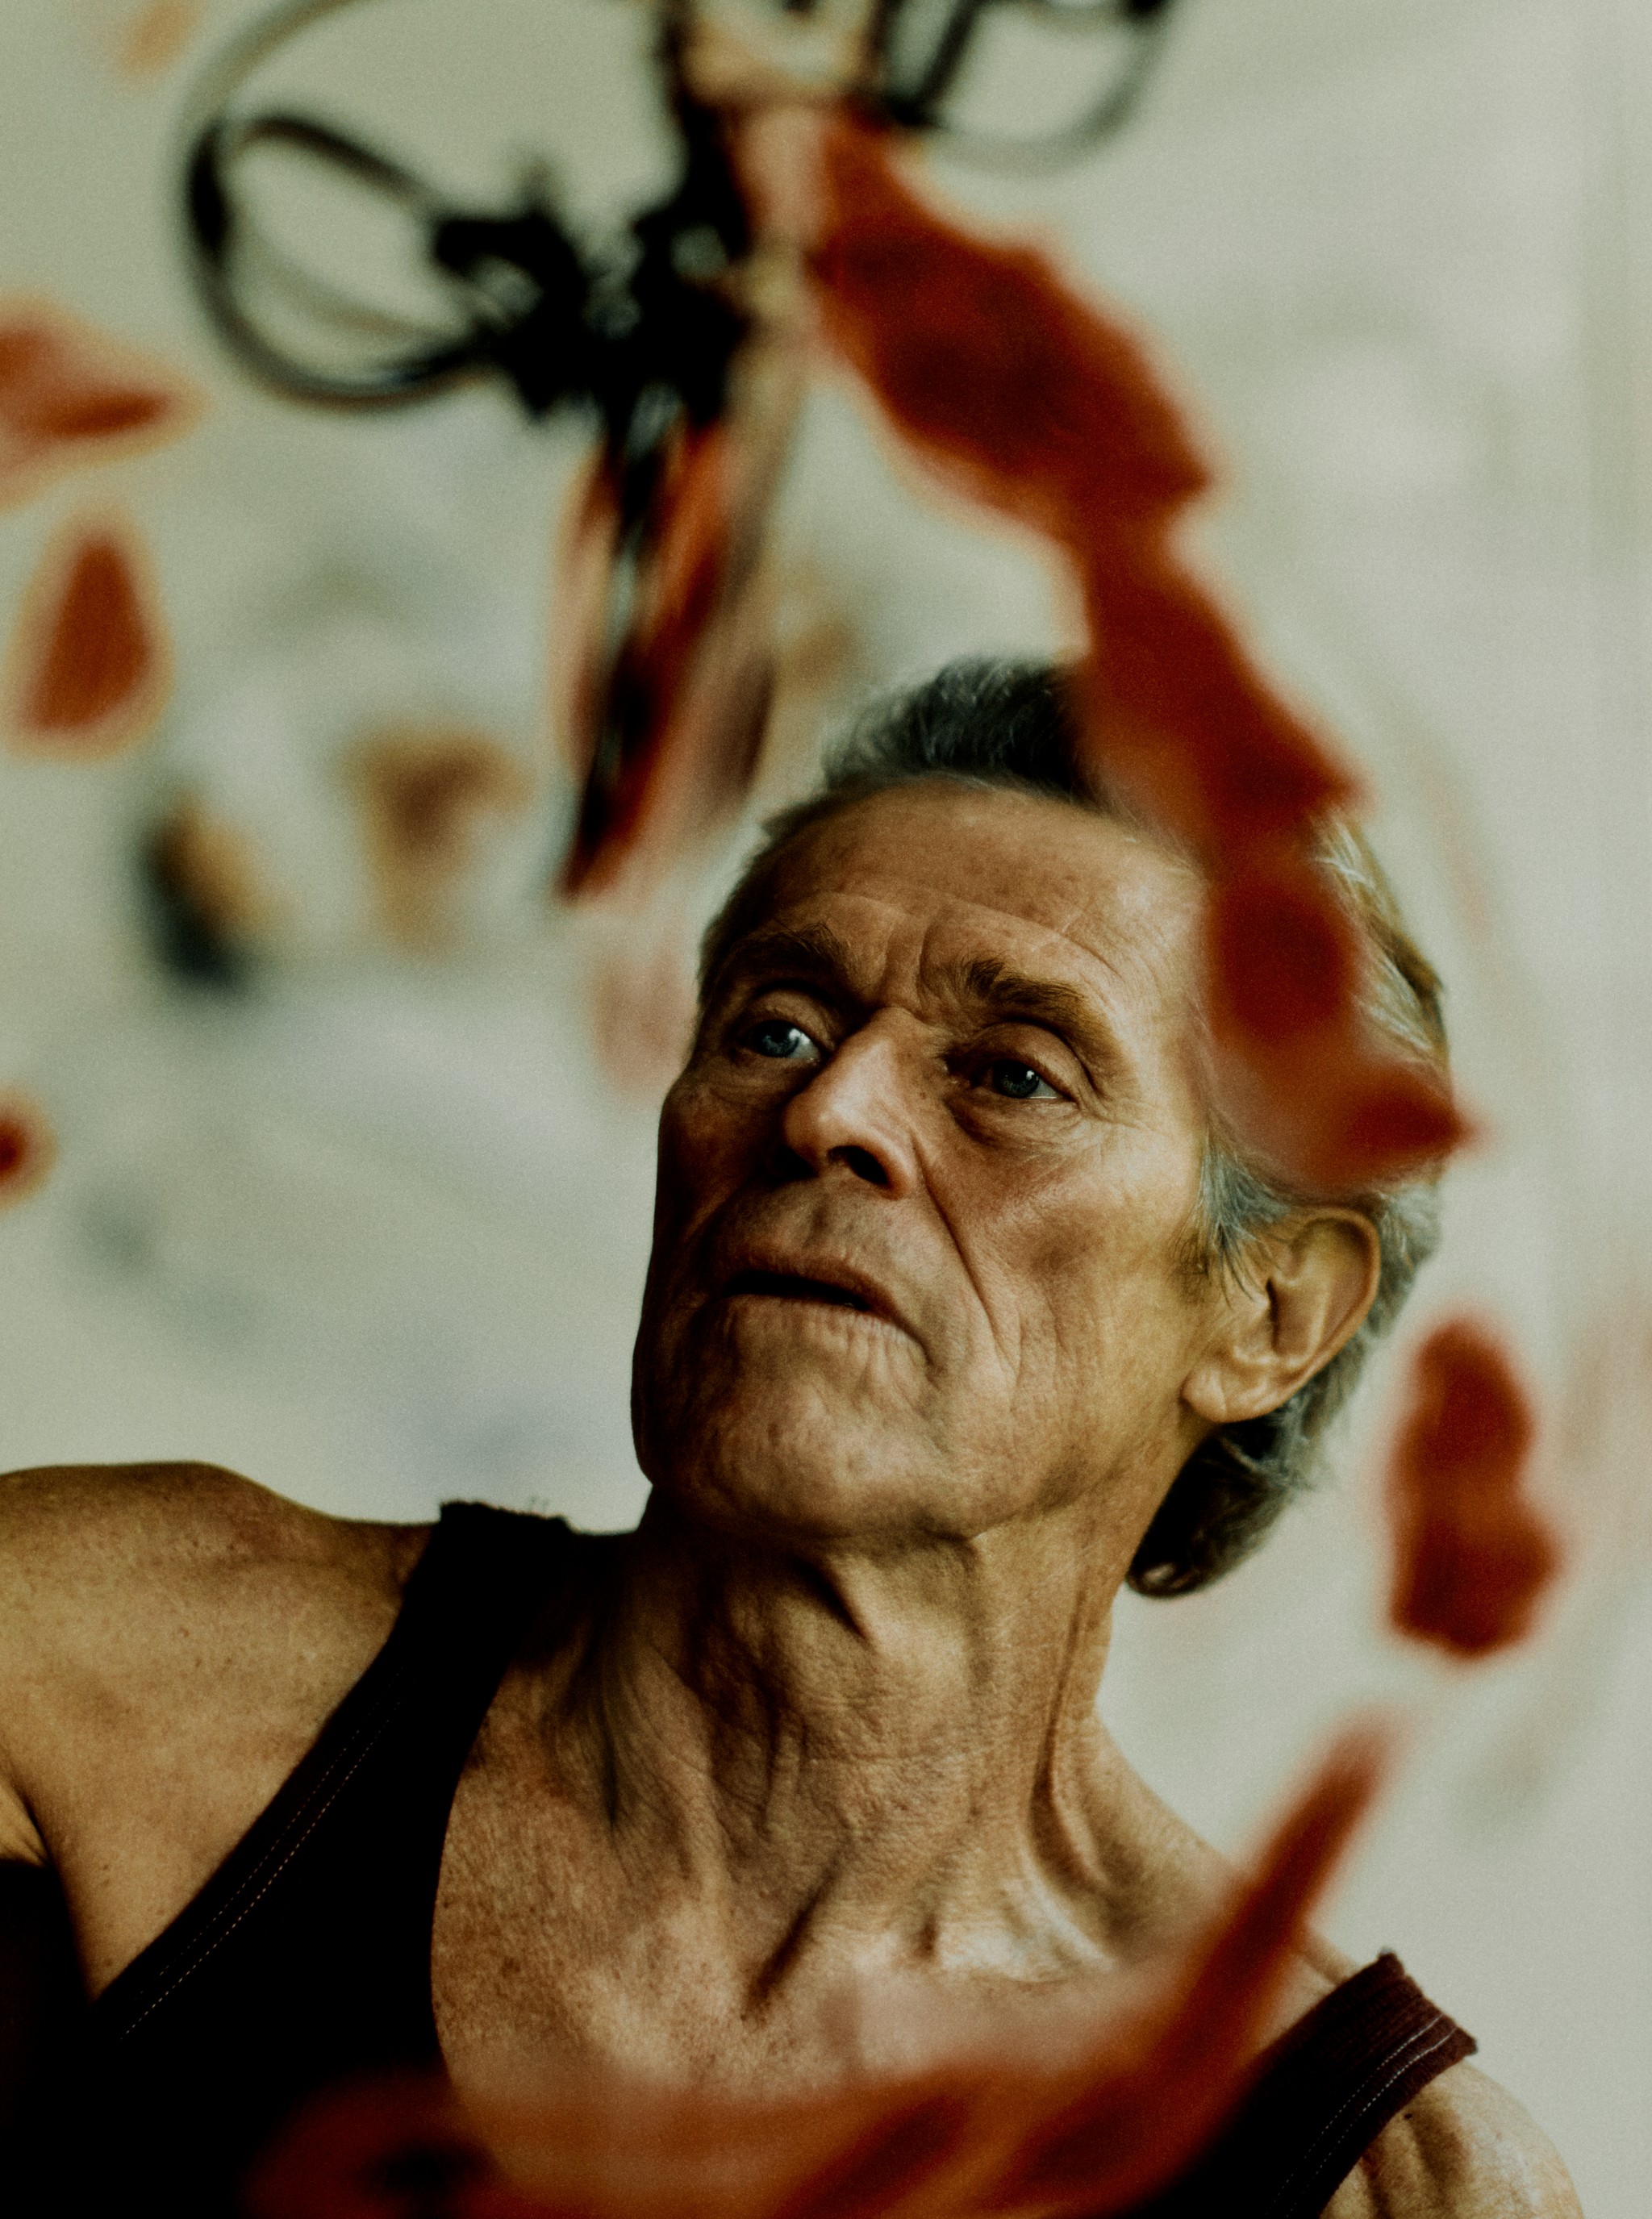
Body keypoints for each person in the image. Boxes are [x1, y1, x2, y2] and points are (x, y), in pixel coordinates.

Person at [0, 662, 1580, 2215]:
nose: (831, 1112)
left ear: (1269, 1312)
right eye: (775, 1029)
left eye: (1013, 1074)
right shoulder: (89, 1669)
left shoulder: (1385, 2184)